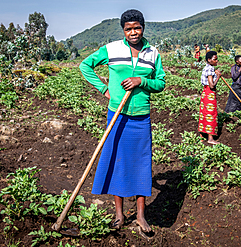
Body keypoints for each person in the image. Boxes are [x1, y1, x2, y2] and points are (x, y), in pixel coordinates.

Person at [79, 9, 166, 233]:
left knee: (141, 165)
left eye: (137, 27)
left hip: (141, 118)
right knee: (118, 163)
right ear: (123, 31)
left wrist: (141, 81)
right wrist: (104, 89)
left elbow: (160, 83)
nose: (133, 32)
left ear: (143, 27)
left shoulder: (152, 53)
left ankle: (140, 216)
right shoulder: (112, 49)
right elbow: (85, 66)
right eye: (128, 29)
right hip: (116, 116)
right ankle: (119, 215)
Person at [198, 51, 222, 145]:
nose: (216, 61)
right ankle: (210, 138)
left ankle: (202, 135)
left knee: (204, 113)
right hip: (209, 93)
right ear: (209, 60)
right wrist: (218, 77)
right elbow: (211, 85)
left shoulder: (207, 67)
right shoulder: (210, 69)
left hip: (205, 93)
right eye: (214, 59)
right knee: (210, 114)